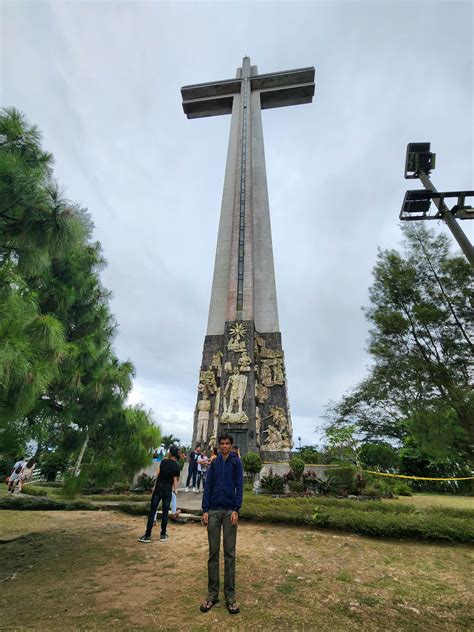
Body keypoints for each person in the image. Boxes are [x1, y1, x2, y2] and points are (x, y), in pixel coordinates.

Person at [200, 433, 243, 615]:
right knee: (213, 553)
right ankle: (212, 594)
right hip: (214, 511)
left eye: (227, 444)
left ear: (231, 446)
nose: (224, 446)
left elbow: (239, 486)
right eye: (222, 443)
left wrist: (236, 509)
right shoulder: (215, 463)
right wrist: (205, 509)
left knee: (229, 554)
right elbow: (208, 486)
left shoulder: (236, 462)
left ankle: (230, 596)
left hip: (229, 511)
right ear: (218, 446)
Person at [138, 444, 181, 543]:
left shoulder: (163, 462)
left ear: (170, 453)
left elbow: (159, 475)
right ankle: (163, 535)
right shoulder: (177, 466)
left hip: (158, 489)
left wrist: (154, 488)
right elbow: (175, 479)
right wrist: (175, 490)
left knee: (153, 511)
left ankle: (147, 535)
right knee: (165, 512)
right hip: (167, 491)